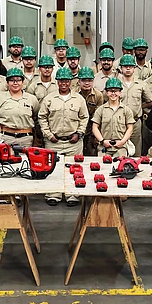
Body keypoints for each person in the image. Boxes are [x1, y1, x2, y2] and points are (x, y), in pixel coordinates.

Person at [38, 67, 89, 206]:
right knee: (53, 169)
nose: (64, 83)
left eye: (67, 81)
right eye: (61, 81)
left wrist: (79, 133)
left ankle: (72, 194)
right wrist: (48, 134)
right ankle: (53, 194)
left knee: (75, 168)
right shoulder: (49, 99)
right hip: (54, 141)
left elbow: (84, 117)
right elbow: (42, 117)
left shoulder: (79, 99)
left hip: (74, 142)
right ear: (57, 82)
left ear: (71, 82)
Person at [0, 67, 39, 149]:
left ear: (22, 82)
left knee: (25, 161)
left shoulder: (32, 99)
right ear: (7, 82)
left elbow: (35, 116)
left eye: (18, 80)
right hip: (5, 137)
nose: (15, 83)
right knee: (3, 161)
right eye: (12, 80)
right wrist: (4, 122)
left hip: (26, 138)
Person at [117, 54, 152, 156]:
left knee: (136, 152)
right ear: (121, 68)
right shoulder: (116, 83)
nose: (128, 68)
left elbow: (150, 101)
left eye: (130, 66)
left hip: (135, 122)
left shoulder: (141, 84)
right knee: (120, 150)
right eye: (125, 66)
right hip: (119, 122)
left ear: (134, 68)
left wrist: (139, 107)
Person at [92, 78, 135, 158]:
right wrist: (102, 141)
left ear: (120, 92)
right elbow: (95, 127)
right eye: (111, 91)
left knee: (120, 167)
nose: (113, 93)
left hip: (120, 147)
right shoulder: (101, 110)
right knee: (103, 168)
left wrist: (122, 142)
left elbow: (130, 128)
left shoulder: (126, 110)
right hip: (104, 147)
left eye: (116, 91)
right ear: (107, 93)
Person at [77, 66, 104, 156]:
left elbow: (99, 117)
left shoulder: (98, 96)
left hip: (91, 128)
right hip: (77, 128)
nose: (87, 83)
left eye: (89, 80)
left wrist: (95, 136)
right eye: (84, 80)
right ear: (79, 81)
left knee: (91, 154)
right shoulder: (74, 94)